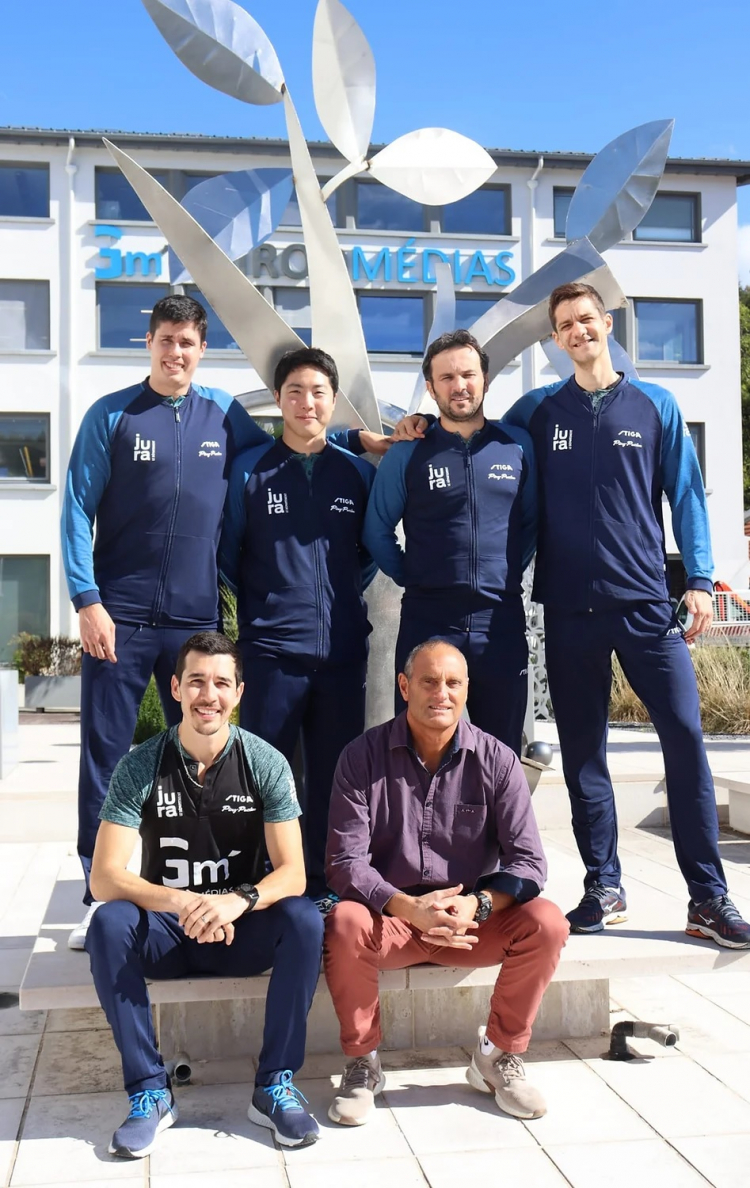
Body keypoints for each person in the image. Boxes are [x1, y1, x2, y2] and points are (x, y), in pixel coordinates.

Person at [394, 283, 750, 947]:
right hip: (568, 610)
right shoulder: (538, 411)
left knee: (685, 741)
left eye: (586, 319)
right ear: (556, 338)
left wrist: (699, 579)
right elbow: (474, 427)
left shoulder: (656, 405)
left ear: (606, 324)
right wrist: (416, 424)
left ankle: (708, 896)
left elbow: (687, 495)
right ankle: (604, 885)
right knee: (584, 755)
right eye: (565, 324)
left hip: (646, 606)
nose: (578, 330)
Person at [62, 296, 387, 946]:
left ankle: (200, 885)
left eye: (187, 342)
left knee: (202, 763)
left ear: (202, 349)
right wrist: (86, 598)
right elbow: (75, 505)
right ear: (149, 342)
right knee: (106, 756)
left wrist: (353, 441)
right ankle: (99, 892)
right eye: (166, 340)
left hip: (195, 623)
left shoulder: (222, 413)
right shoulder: (112, 415)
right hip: (119, 615)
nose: (175, 353)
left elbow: (293, 441)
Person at [86, 631, 323, 1158]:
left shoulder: (265, 762)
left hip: (239, 931)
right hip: (169, 935)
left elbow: (293, 874)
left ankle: (274, 1085)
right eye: (196, 681)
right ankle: (150, 1091)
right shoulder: (141, 765)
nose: (207, 695)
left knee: (304, 919)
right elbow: (103, 877)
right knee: (109, 922)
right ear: (175, 688)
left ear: (238, 692)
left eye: (220, 683)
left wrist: (237, 900)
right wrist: (182, 902)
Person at [323, 639, 568, 1125]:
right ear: (404, 686)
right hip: (392, 920)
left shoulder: (497, 759)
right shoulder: (361, 757)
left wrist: (478, 904)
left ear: (466, 689)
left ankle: (497, 1056)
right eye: (429, 681)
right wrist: (408, 908)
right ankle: (363, 1063)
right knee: (345, 920)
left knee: (547, 922)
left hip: (467, 924)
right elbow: (344, 862)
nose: (442, 693)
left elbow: (529, 863)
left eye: (453, 683)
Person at [219, 347, 377, 909]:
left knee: (336, 774)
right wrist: (266, 606)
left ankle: (325, 884)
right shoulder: (251, 471)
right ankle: (260, 883)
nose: (306, 402)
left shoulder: (357, 473)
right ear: (278, 399)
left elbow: (368, 555)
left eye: (318, 392)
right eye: (295, 391)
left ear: (333, 401)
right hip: (271, 652)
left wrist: (338, 597)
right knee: (265, 773)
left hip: (342, 652)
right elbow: (228, 555)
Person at [362, 329, 536, 755]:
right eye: (447, 377)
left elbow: (531, 524)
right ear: (431, 387)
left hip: (500, 622)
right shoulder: (408, 453)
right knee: (420, 750)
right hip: (428, 621)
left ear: (485, 380)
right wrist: (412, 574)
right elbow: (376, 529)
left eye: (468, 375)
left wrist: (504, 571)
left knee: (501, 753)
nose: (460, 385)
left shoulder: (516, 446)